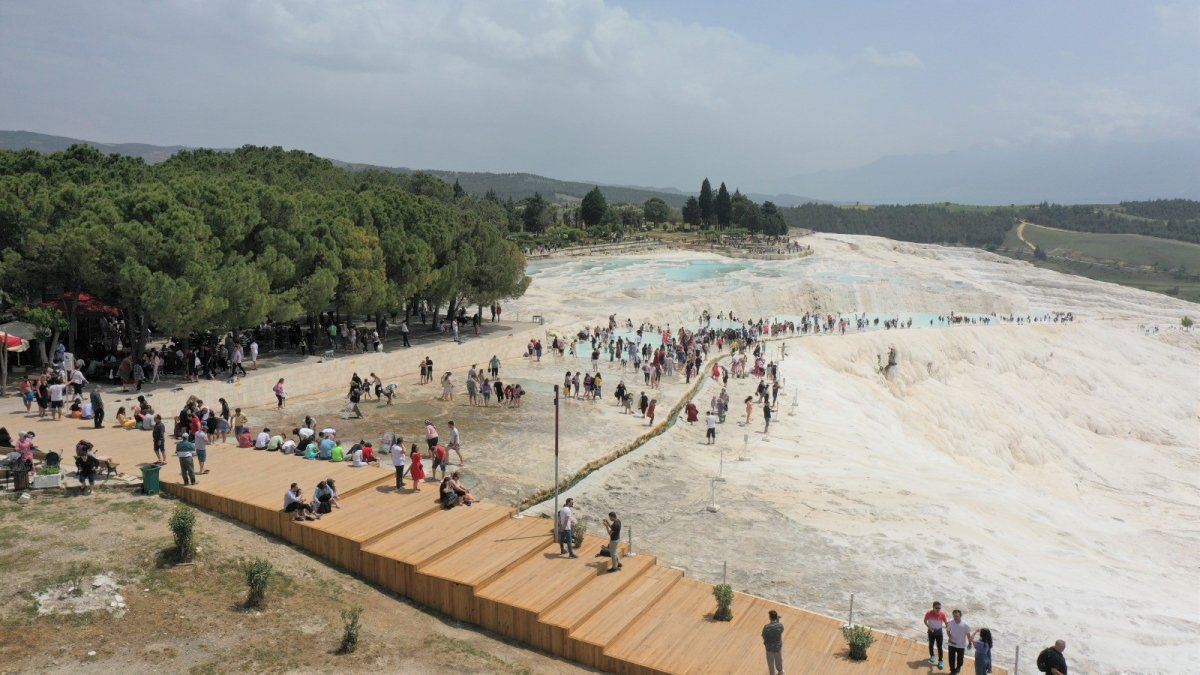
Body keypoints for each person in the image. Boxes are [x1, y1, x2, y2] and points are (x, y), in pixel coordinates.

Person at [946, 609, 971, 675]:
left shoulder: (965, 625)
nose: (955, 617)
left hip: (961, 645)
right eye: (954, 616)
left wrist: (970, 642)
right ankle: (952, 670)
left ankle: (958, 668)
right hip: (951, 644)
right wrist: (949, 637)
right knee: (951, 659)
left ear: (960, 616)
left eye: (957, 616)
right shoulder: (950, 622)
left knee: (960, 659)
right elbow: (948, 630)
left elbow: (968, 634)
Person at [924, 601, 948, 669]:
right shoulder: (929, 613)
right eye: (936, 608)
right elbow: (925, 621)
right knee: (931, 644)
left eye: (939, 608)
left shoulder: (942, 614)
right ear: (933, 607)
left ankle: (940, 661)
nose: (938, 609)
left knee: (939, 647)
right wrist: (929, 627)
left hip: (939, 633)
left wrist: (947, 625)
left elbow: (946, 623)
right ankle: (932, 656)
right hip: (931, 632)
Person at [762, 609, 784, 675]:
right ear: (776, 617)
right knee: (779, 659)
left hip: (769, 647)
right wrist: (778, 621)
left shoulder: (766, 627)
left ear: (770, 617)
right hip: (777, 646)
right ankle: (780, 672)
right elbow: (781, 630)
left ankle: (772, 673)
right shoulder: (780, 625)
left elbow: (763, 635)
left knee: (770, 661)